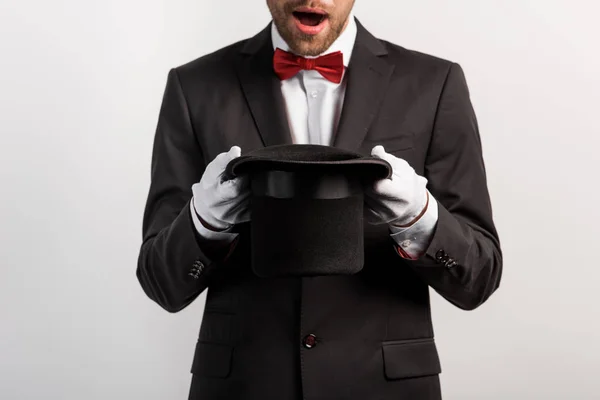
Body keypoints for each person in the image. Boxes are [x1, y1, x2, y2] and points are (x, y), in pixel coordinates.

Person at [136, 1, 503, 399]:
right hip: (245, 386)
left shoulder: (435, 83)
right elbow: (163, 285)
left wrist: (420, 217)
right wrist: (204, 221)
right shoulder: (194, 86)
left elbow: (478, 279)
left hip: (383, 388)